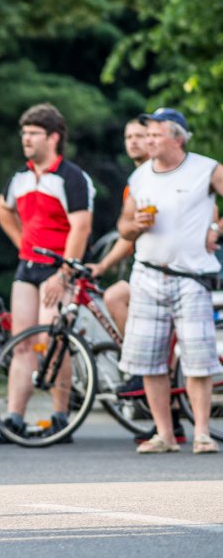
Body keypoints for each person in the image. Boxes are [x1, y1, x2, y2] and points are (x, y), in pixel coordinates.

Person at [0, 103, 94, 445]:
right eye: (24, 133)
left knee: (53, 340)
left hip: (59, 267)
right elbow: (3, 208)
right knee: (22, 343)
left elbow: (81, 227)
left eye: (33, 133)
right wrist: (21, 242)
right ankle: (13, 420)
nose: (26, 139)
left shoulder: (71, 177)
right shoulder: (20, 176)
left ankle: (60, 417)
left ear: (53, 137)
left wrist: (64, 272)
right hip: (28, 266)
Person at [118, 107, 223, 455]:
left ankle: (203, 433)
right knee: (149, 360)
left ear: (177, 138)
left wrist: (216, 229)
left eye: (155, 134)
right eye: (146, 134)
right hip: (147, 273)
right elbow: (123, 226)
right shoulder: (140, 177)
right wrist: (136, 226)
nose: (148, 140)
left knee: (198, 359)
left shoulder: (206, 169)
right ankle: (165, 433)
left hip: (191, 276)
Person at [89, 118, 150, 335]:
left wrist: (214, 229)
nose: (133, 142)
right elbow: (128, 234)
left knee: (116, 297)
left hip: (172, 269)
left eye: (139, 136)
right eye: (129, 137)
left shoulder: (164, 176)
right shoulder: (135, 182)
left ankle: (141, 362)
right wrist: (103, 266)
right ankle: (136, 359)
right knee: (115, 296)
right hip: (144, 267)